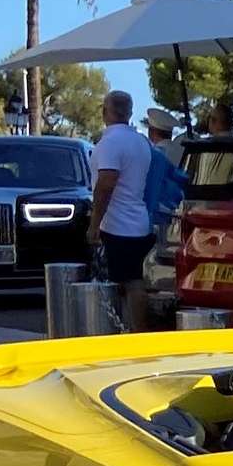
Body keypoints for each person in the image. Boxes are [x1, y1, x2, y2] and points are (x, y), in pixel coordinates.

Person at [88, 90, 158, 332]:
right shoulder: (140, 141)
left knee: (130, 282)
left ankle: (137, 334)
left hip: (119, 226)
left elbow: (105, 184)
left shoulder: (111, 142)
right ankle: (129, 330)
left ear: (106, 111)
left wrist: (94, 224)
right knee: (130, 281)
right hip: (138, 220)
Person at [142, 108, 188, 232]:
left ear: (151, 132)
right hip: (175, 213)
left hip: (153, 212)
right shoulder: (181, 151)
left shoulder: (150, 155)